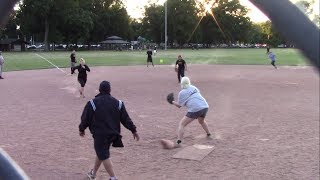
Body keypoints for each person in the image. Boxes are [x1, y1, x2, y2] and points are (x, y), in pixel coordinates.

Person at [79, 81, 140, 180]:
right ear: (110, 90)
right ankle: (93, 173)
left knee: (103, 154)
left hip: (100, 135)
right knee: (102, 152)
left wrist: (82, 129)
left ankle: (113, 178)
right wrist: (134, 130)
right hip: (113, 134)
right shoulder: (118, 103)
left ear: (99, 90)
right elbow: (126, 119)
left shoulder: (92, 103)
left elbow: (85, 118)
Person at [170, 77, 211, 148]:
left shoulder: (182, 92)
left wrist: (172, 102)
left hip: (195, 109)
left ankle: (179, 141)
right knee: (201, 121)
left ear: (181, 84)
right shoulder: (193, 87)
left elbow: (179, 106)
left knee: (182, 124)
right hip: (205, 106)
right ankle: (209, 134)